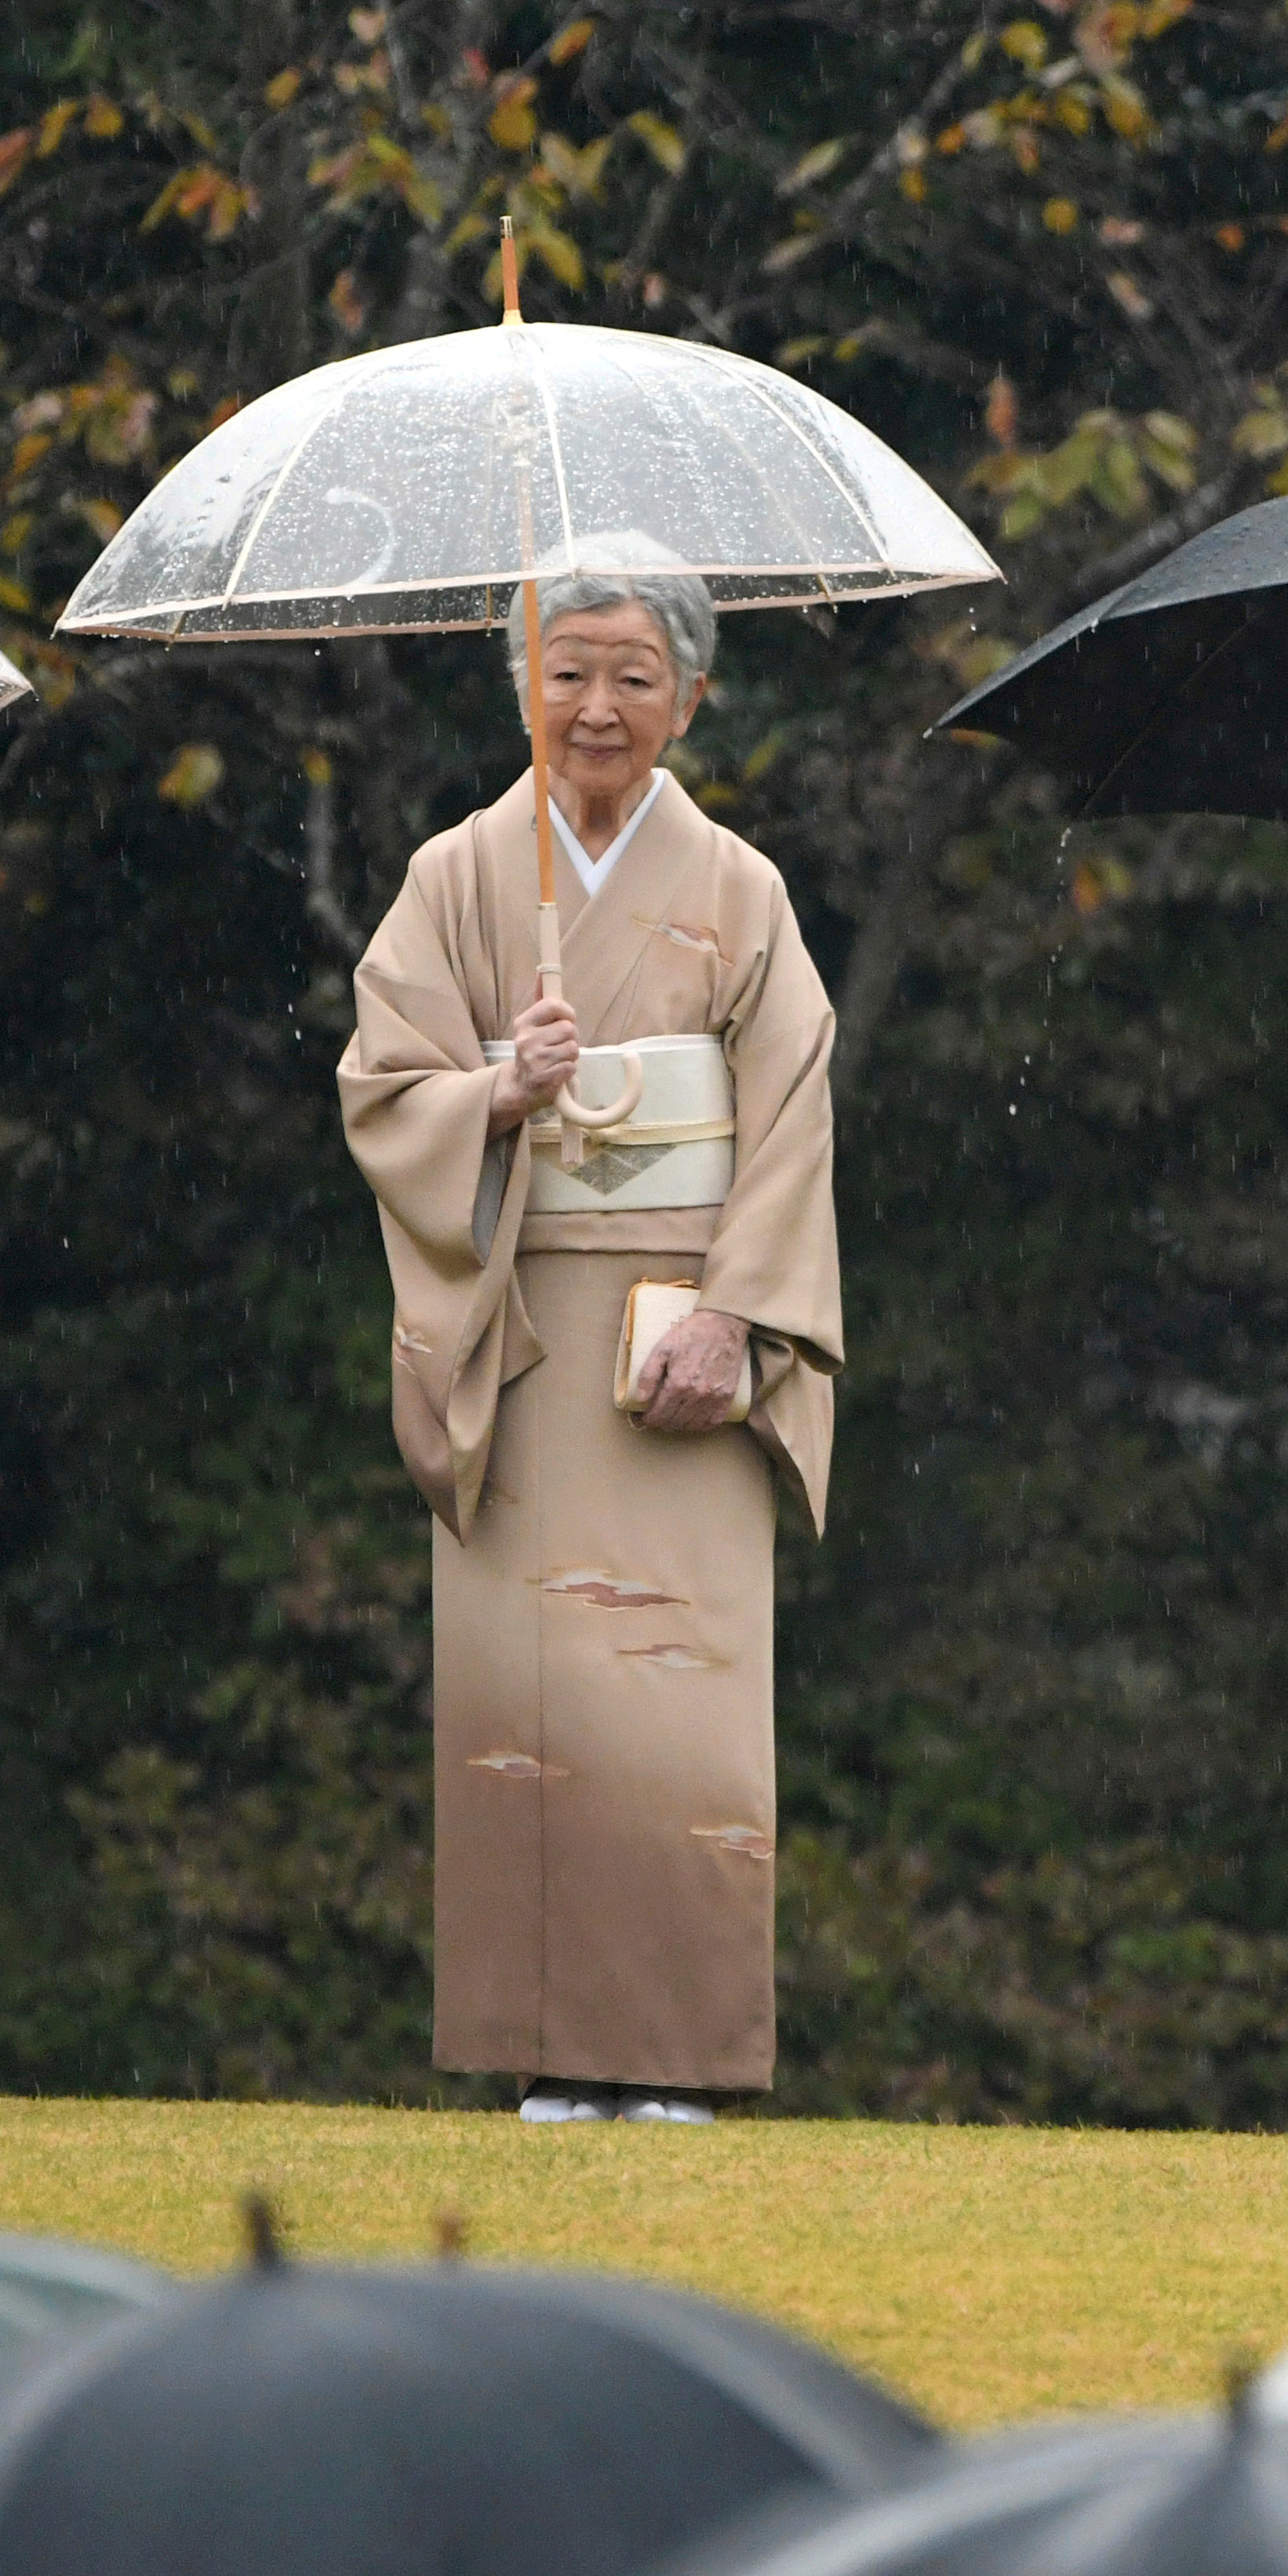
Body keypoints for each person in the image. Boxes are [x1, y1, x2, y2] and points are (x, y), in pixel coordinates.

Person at [338, 548, 841, 2124]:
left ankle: (678, 2056)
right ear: (519, 687)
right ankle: (553, 2051)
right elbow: (380, 1086)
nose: (598, 705)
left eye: (634, 674)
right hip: (524, 1330)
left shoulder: (739, 887)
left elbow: (789, 1118)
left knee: (678, 1697)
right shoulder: (456, 876)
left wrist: (738, 1314)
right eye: (568, 671)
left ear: (691, 693)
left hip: (683, 1329)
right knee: (532, 1704)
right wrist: (496, 1084)